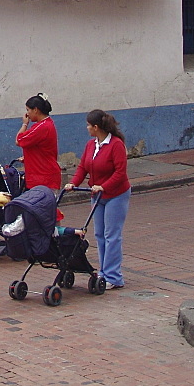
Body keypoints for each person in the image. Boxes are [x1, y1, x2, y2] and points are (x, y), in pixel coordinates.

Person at [64, 109, 131, 290]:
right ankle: (104, 271)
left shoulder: (116, 145)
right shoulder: (91, 145)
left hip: (115, 195)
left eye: (88, 125)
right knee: (99, 234)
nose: (86, 128)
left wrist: (104, 186)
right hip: (97, 195)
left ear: (96, 127)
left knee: (112, 236)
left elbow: (120, 172)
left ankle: (114, 276)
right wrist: (73, 183)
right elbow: (83, 167)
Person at [15, 93, 61, 190]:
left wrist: (24, 124)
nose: (27, 114)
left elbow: (19, 140)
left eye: (28, 110)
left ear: (35, 110)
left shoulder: (42, 127)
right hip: (43, 178)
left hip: (42, 179)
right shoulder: (47, 124)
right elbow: (41, 149)